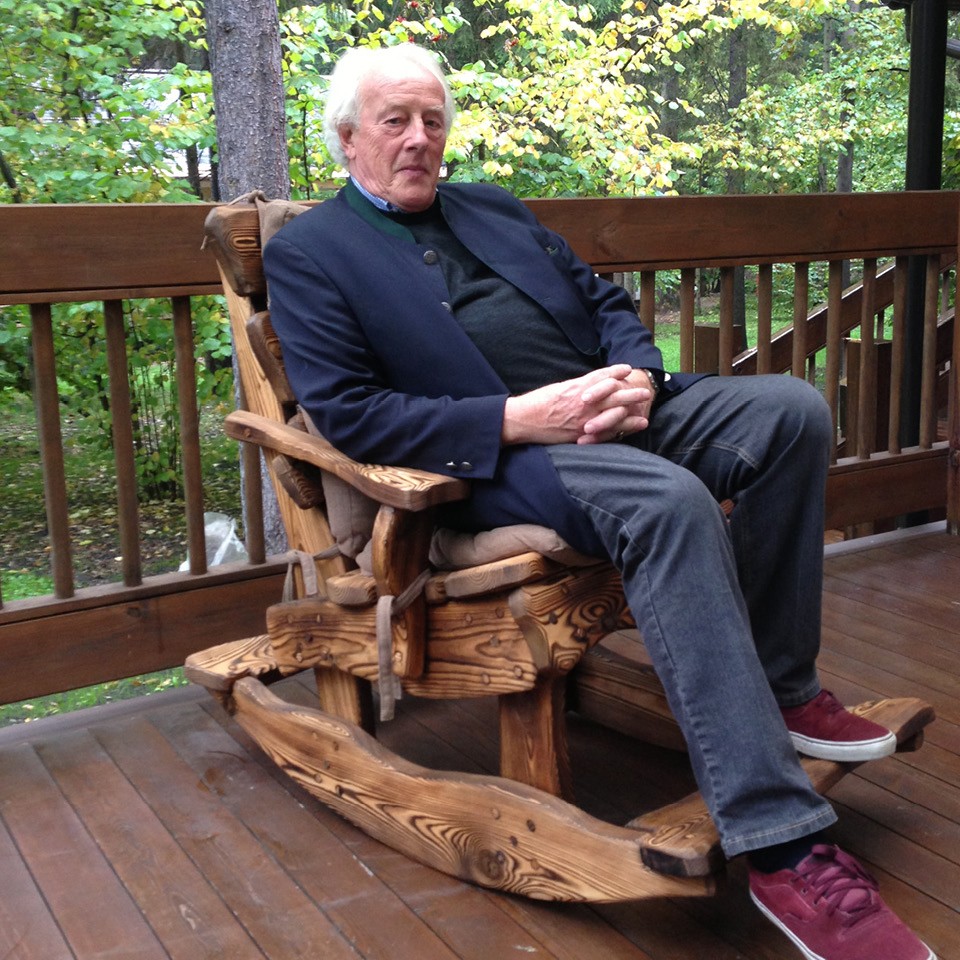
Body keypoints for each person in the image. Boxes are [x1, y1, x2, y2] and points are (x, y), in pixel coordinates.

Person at [262, 44, 935, 960]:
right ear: (348, 140)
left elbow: (603, 301)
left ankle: (780, 687)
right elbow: (350, 413)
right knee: (671, 501)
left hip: (611, 414)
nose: (419, 139)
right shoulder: (311, 254)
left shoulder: (491, 207)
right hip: (498, 460)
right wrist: (519, 418)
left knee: (792, 412)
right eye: (395, 122)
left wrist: (638, 378)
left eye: (431, 120)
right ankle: (781, 843)